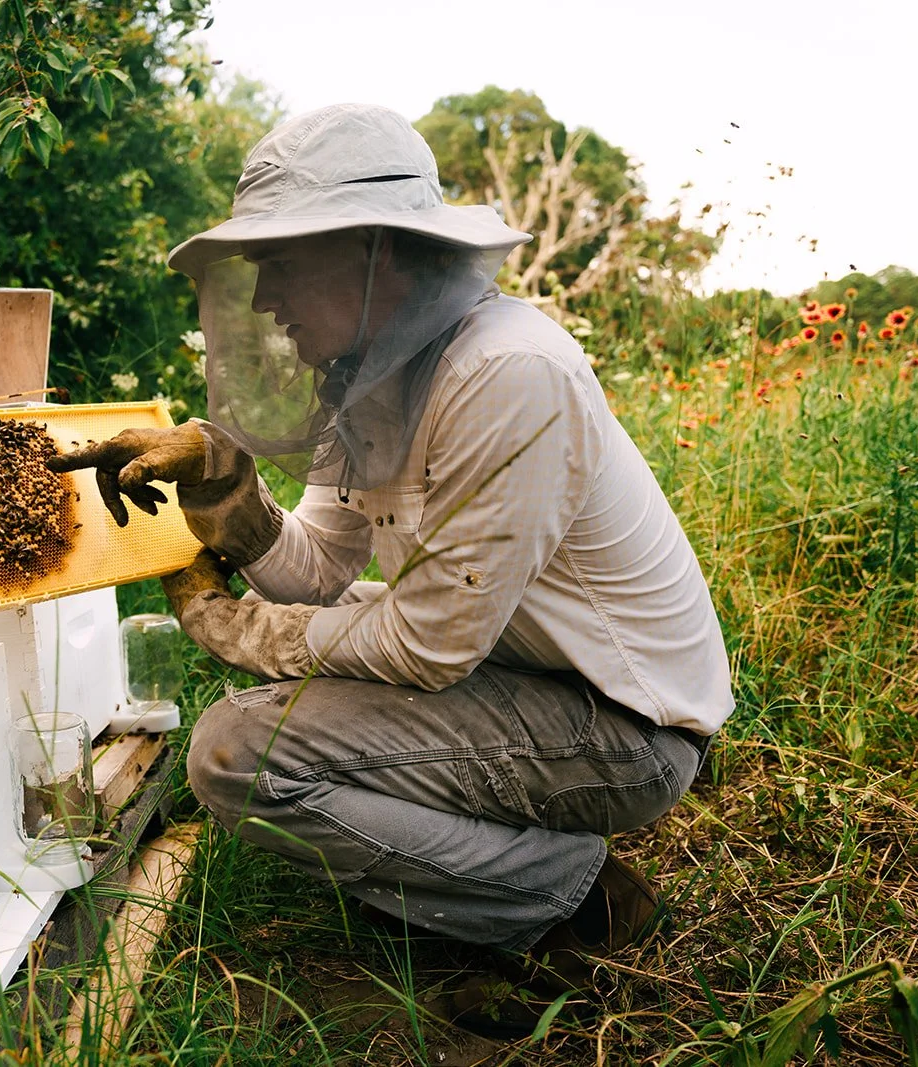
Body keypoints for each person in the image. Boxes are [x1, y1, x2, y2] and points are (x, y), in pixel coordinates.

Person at [47, 103, 734, 1034]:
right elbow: (321, 569)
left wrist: (230, 626)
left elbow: (431, 642)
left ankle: (572, 896)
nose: (262, 300)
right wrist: (220, 484)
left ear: (374, 249)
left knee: (238, 754)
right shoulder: (371, 376)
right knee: (253, 732)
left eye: (282, 263)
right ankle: (511, 865)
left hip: (627, 726)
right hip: (518, 671)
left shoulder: (508, 373)